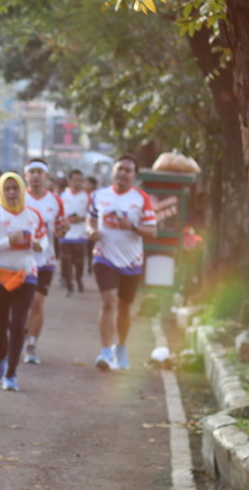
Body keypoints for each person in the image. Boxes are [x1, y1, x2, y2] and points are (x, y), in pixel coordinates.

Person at [87, 155, 157, 371]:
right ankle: (105, 352)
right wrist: (91, 231)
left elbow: (152, 231)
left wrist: (131, 226)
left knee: (125, 308)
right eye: (120, 169)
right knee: (108, 301)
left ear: (134, 175)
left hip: (131, 260)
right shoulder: (99, 195)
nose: (123, 174)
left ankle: (121, 347)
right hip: (104, 256)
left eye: (128, 170)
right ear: (113, 172)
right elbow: (91, 219)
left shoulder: (141, 199)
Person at [0, 172, 46, 392]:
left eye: (15, 188)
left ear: (22, 190)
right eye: (7, 189)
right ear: (1, 191)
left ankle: (11, 373)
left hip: (26, 275)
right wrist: (8, 240)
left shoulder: (33, 215)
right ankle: (0, 356)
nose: (12, 193)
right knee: (0, 325)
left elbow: (44, 239)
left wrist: (39, 246)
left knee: (18, 324)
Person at [21, 158, 65, 365]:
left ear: (47, 177)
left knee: (37, 302)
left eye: (40, 172)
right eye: (33, 172)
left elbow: (61, 229)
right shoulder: (18, 197)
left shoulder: (55, 201)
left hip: (45, 260)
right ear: (26, 175)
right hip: (20, 260)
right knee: (22, 304)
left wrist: (62, 230)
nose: (36, 176)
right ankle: (20, 332)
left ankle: (31, 345)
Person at [59, 170, 90, 295]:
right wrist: (65, 221)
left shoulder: (86, 197)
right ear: (70, 181)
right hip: (66, 235)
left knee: (79, 262)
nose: (78, 182)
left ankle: (78, 278)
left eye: (80, 180)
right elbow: (58, 214)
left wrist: (80, 219)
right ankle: (69, 285)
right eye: (75, 180)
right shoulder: (62, 196)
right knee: (66, 262)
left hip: (80, 235)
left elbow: (92, 215)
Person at [84, 175, 99, 274]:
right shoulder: (84, 195)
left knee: (92, 246)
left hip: (94, 225)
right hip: (84, 225)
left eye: (89, 183)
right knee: (88, 248)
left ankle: (92, 265)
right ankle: (89, 264)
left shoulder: (96, 195)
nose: (86, 185)